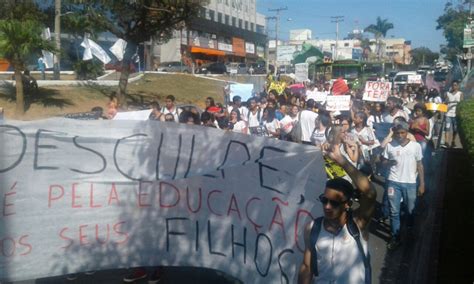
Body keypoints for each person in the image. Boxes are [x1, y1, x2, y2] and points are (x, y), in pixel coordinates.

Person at [298, 141, 376, 284]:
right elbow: (307, 266)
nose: (327, 206)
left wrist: (341, 160)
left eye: (334, 203)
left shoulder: (357, 224)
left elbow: (370, 193)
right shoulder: (312, 228)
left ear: (347, 204)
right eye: (324, 200)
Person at [380, 121, 425, 250]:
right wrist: (388, 162)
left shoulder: (415, 146)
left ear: (407, 133)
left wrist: (422, 184)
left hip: (410, 183)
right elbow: (382, 160)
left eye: (402, 133)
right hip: (393, 182)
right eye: (397, 133)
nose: (400, 135)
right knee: (394, 212)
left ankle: (410, 231)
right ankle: (396, 237)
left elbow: (420, 165)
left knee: (410, 210)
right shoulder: (390, 146)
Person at [444, 80, 463, 148]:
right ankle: (446, 142)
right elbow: (445, 102)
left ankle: (453, 141)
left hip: (455, 114)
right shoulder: (448, 93)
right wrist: (447, 101)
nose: (454, 87)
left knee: (455, 129)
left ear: (458, 86)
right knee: (447, 127)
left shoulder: (460, 93)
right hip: (448, 114)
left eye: (455, 85)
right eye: (452, 85)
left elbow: (461, 104)